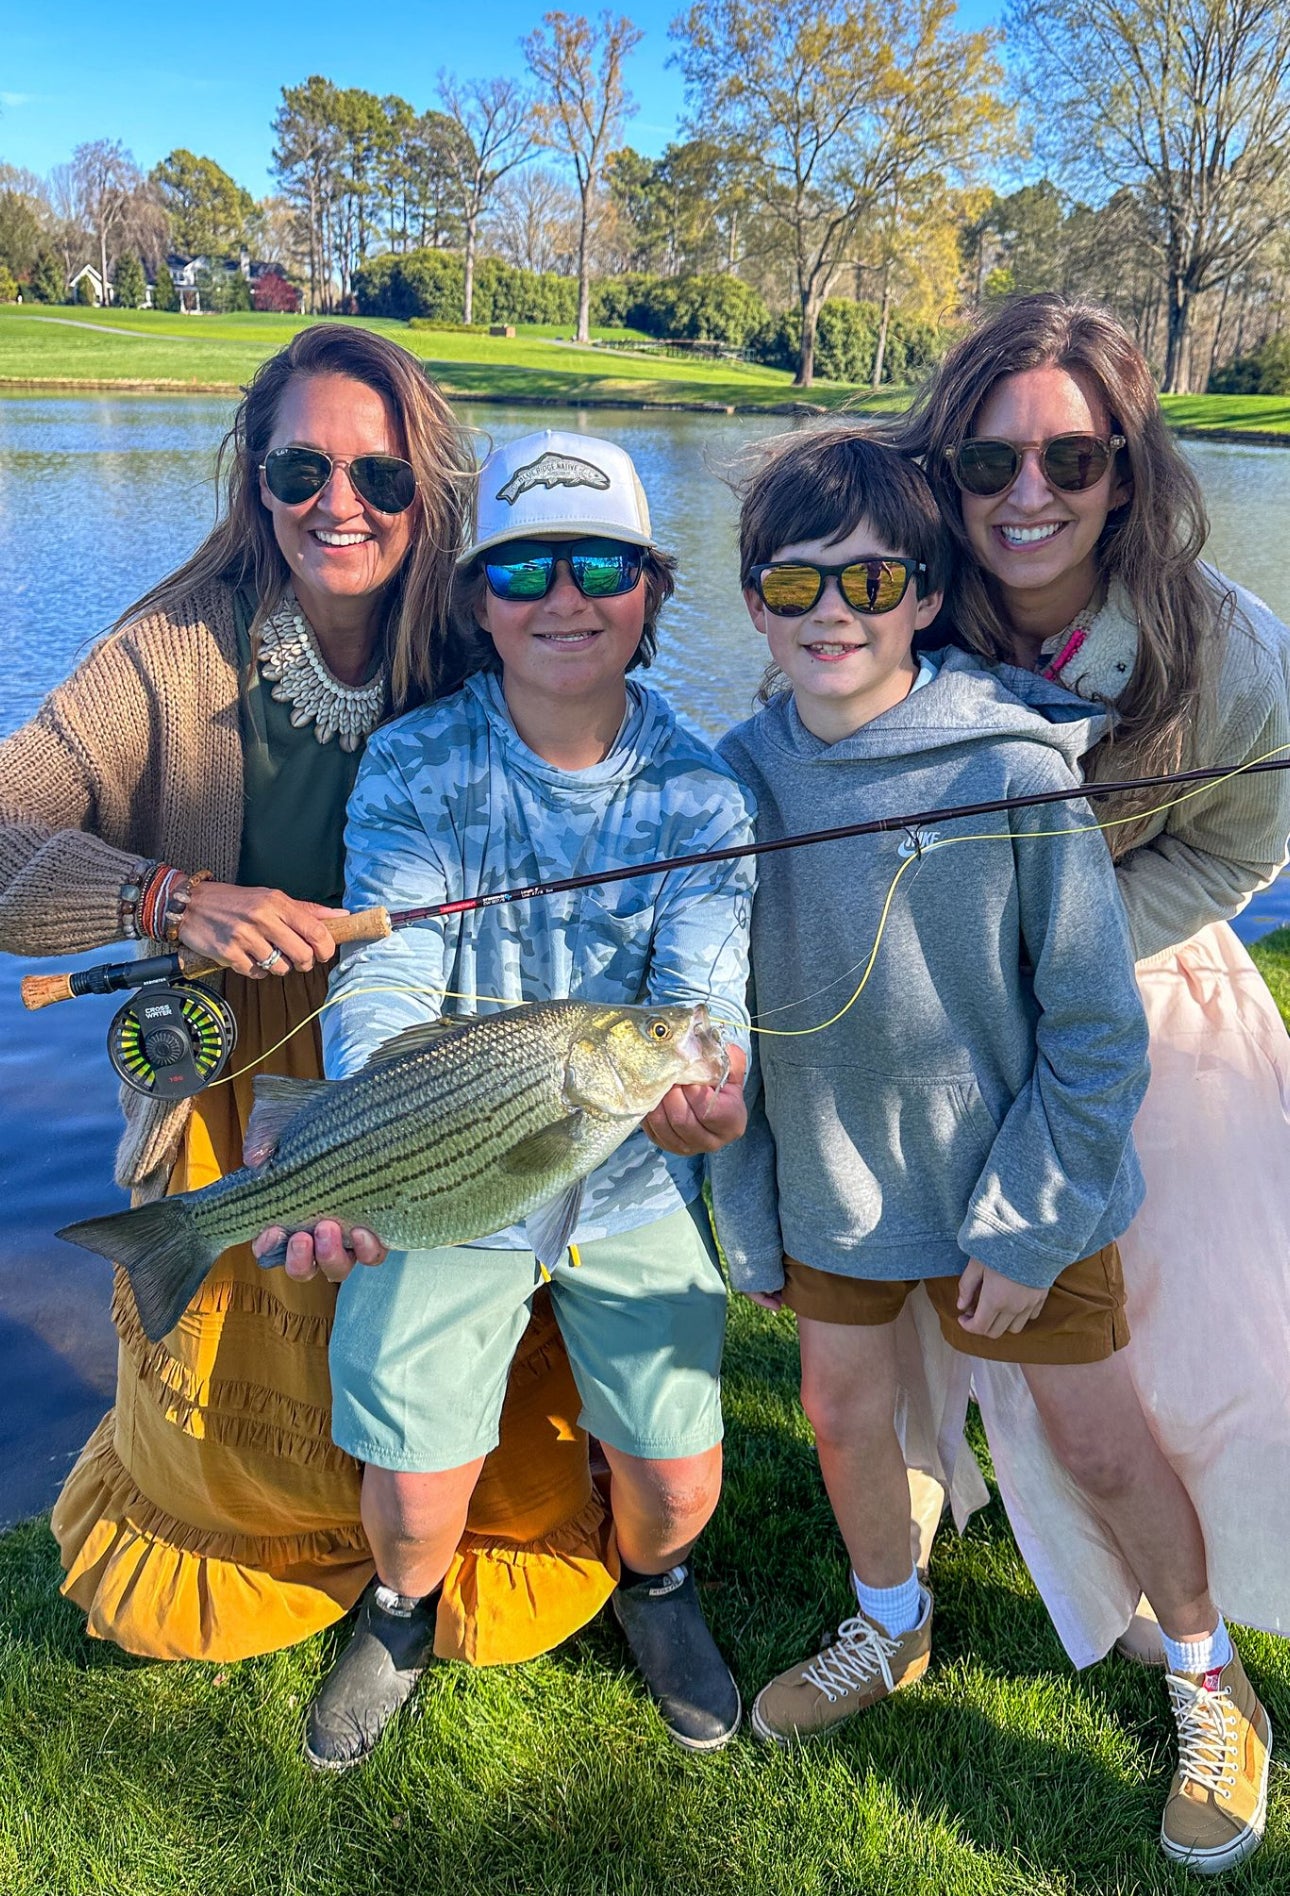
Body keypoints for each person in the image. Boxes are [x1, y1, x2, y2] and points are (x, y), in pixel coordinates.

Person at [0, 329, 619, 1669]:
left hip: (450, 1074)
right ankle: (294, 1561)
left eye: (381, 477)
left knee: (469, 1373)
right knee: (246, 1411)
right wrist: (163, 898)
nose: (338, 504)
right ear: (256, 477)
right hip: (250, 1088)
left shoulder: (488, 638)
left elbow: (611, 792)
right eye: (301, 467)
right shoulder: (167, 652)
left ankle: (442, 1570)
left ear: (430, 491)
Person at [708, 428, 1272, 1876]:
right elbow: (719, 1034)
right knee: (843, 1420)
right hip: (830, 1190)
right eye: (793, 582)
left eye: (873, 578)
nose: (833, 611)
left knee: (1093, 1437)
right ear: (752, 600)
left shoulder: (1016, 766)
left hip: (1020, 1197)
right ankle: (888, 1626)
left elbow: (1091, 1032)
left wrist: (1024, 1227)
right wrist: (746, 1216)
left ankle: (1207, 1676)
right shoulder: (731, 781)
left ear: (922, 593)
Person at [289, 427, 754, 1770]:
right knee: (416, 1500)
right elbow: (390, 976)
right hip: (446, 1162)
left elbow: (700, 1009)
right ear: (476, 598)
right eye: (523, 568)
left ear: (652, 590)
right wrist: (364, 1148)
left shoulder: (702, 793)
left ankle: (653, 1585)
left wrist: (710, 1098)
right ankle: (397, 1614)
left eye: (601, 561)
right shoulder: (416, 766)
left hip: (619, 1174)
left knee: (678, 1485)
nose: (565, 596)